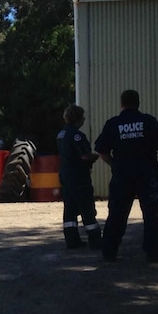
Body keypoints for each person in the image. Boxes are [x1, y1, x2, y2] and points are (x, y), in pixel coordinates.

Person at [94, 90, 158, 263]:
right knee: (151, 214)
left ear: (121, 104)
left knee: (117, 213)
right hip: (147, 175)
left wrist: (115, 165)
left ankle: (109, 251)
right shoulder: (148, 121)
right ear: (138, 103)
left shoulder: (113, 124)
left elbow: (102, 151)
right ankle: (154, 252)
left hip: (122, 175)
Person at [57, 105, 101, 250]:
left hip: (66, 176)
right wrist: (96, 156)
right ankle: (96, 241)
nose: (84, 119)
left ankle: (72, 240)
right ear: (78, 119)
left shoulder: (61, 134)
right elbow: (84, 156)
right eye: (82, 116)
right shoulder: (76, 135)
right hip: (79, 177)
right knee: (87, 208)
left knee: (69, 209)